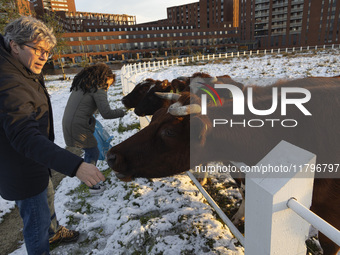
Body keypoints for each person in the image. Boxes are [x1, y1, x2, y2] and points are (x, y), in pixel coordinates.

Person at [0, 16, 105, 255]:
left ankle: (53, 232)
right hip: (22, 170)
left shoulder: (19, 66)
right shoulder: (9, 82)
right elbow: (24, 137)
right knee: (35, 225)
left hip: (36, 161)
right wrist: (76, 166)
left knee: (46, 201)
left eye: (47, 52)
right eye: (38, 50)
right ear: (15, 46)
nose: (44, 57)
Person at [62, 63, 125, 194]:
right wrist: (123, 112)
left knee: (91, 150)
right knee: (93, 152)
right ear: (104, 78)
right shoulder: (98, 88)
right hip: (79, 125)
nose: (108, 88)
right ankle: (92, 183)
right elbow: (106, 113)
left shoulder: (83, 85)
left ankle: (87, 177)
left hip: (71, 123)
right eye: (108, 84)